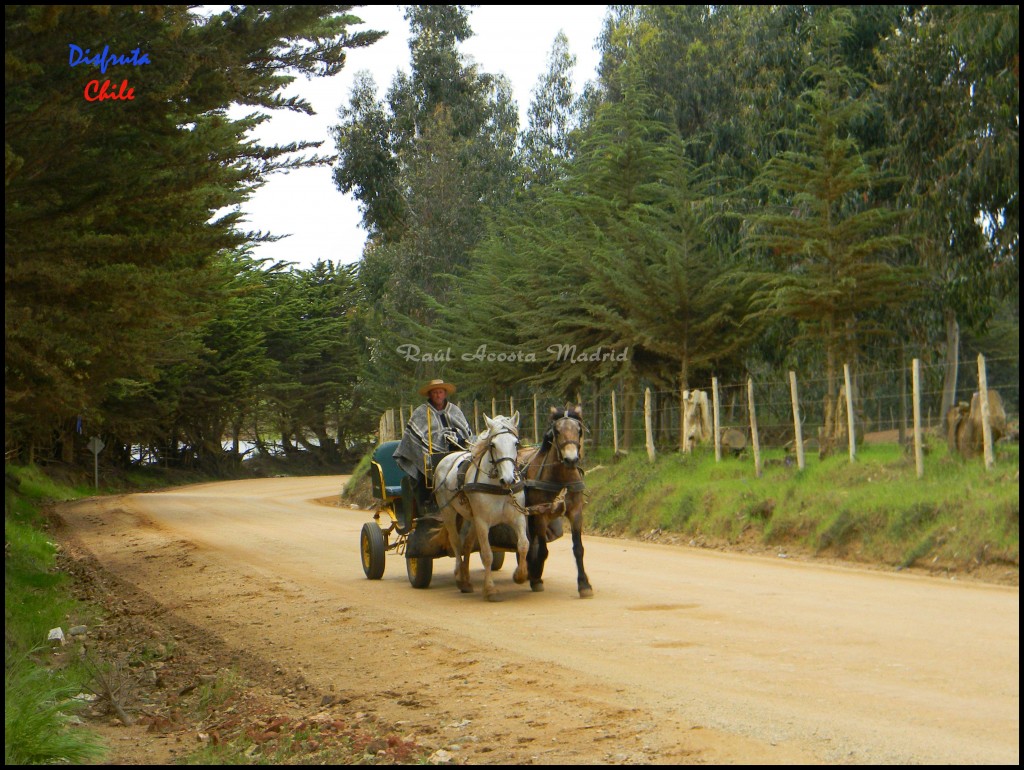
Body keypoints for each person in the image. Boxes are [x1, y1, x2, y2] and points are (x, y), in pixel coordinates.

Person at [393, 379, 473, 523]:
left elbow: (466, 432)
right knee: (423, 469)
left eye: (440, 392)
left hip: (456, 451)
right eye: (435, 392)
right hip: (427, 455)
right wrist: (438, 439)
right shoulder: (421, 412)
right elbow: (415, 437)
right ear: (430, 394)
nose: (438, 395)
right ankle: (427, 505)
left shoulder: (455, 410)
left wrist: (453, 436)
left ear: (445, 393)